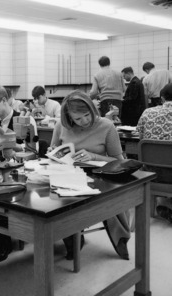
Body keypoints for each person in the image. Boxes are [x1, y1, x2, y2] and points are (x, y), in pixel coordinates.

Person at [51, 90, 131, 260]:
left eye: (87, 115)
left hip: (101, 178)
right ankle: (72, 236)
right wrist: (53, 153)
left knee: (106, 202)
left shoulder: (106, 126)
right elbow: (53, 151)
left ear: (92, 110)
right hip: (70, 176)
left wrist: (94, 156)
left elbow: (119, 161)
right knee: (58, 201)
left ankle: (116, 238)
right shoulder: (61, 126)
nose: (85, 121)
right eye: (78, 119)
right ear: (69, 118)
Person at [0, 85, 38, 263]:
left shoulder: (24, 120)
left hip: (21, 172)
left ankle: (4, 241)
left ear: (4, 100)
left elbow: (32, 151)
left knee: (0, 195)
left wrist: (10, 144)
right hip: (1, 167)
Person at [136, 83, 172, 224]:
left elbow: (139, 136)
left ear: (162, 98)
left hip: (150, 174)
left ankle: (164, 204)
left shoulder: (147, 113)